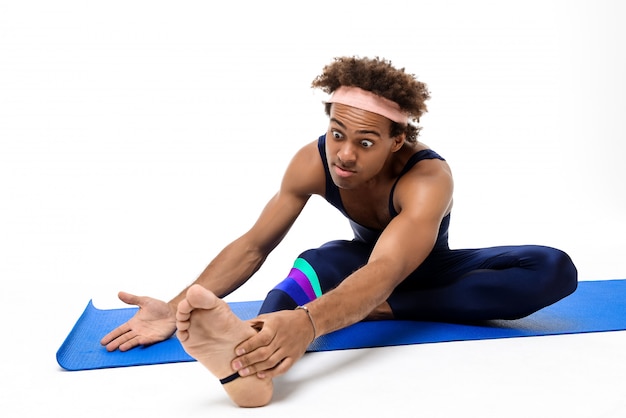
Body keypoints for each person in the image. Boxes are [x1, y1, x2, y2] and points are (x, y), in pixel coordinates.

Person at [101, 56, 578, 407]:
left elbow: (389, 267)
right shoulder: (312, 161)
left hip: (435, 276)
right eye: (337, 134)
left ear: (397, 142)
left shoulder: (428, 177)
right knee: (312, 266)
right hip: (353, 267)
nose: (344, 155)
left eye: (366, 142)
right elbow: (254, 244)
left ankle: (358, 315)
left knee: (552, 268)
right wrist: (176, 302)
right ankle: (248, 358)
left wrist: (311, 322)